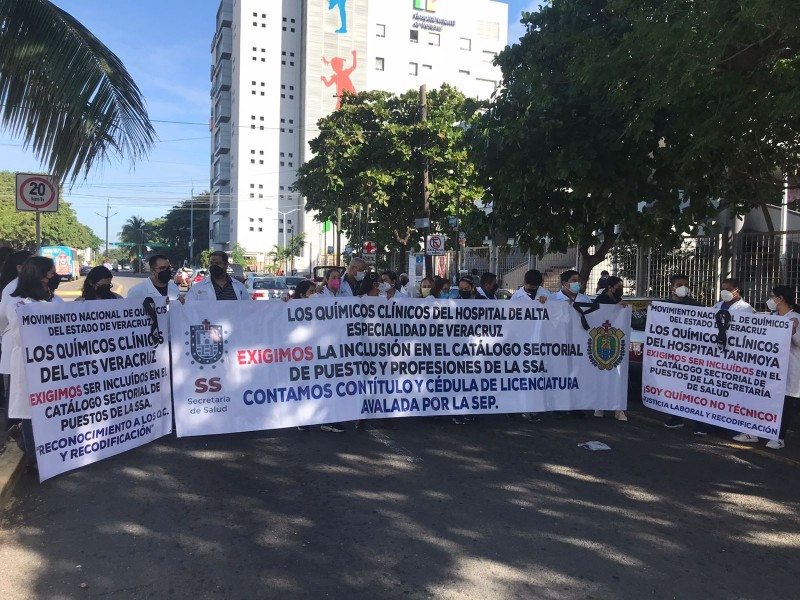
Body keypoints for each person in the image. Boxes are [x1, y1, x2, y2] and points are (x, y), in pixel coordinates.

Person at [7, 257, 60, 472]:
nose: (54, 276)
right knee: (31, 410)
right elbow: (20, 337)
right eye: (50, 273)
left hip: (53, 364)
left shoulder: (54, 300)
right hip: (29, 365)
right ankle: (33, 457)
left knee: (51, 406)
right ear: (38, 275)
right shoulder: (17, 303)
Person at [733, 285, 799, 449]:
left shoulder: (796, 317)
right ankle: (753, 432)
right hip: (769, 370)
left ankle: (779, 437)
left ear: (780, 299)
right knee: (761, 400)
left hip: (790, 371)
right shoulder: (772, 316)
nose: (769, 299)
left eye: (771, 296)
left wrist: (792, 330)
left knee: (784, 404)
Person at [661, 274, 705, 432]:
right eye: (679, 285)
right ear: (672, 287)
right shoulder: (662, 305)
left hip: (691, 354)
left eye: (686, 285)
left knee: (693, 387)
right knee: (674, 386)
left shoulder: (696, 305)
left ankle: (699, 422)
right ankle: (675, 417)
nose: (683, 288)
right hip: (670, 354)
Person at [591, 276, 628, 421]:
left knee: (618, 377)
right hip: (600, 342)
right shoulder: (600, 301)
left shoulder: (619, 301)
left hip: (616, 343)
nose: (620, 289)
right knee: (601, 376)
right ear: (610, 287)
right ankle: (599, 405)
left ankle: (618, 409)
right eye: (618, 286)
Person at [185, 251, 251, 301]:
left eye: (218, 263)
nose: (214, 266)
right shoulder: (197, 288)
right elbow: (186, 307)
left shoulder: (239, 286)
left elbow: (249, 307)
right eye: (211, 263)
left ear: (226, 265)